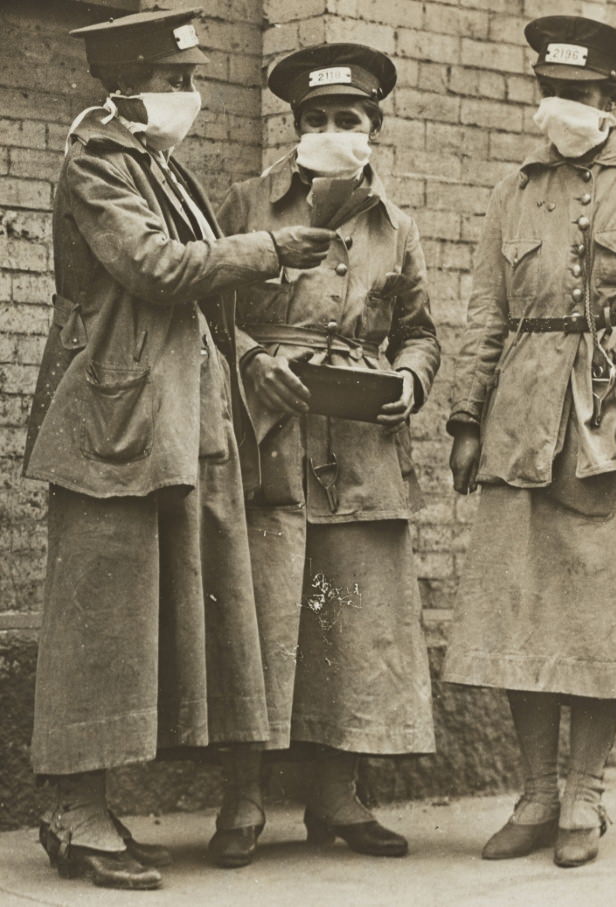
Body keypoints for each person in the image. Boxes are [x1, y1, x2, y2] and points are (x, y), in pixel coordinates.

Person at [23, 8, 335, 890]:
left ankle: (95, 807)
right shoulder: (97, 163)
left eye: (191, 81)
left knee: (139, 623)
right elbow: (157, 268)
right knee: (99, 620)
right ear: (125, 85)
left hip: (169, 424)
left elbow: (196, 306)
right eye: (175, 82)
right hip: (111, 427)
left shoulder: (157, 166)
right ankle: (73, 810)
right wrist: (266, 249)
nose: (189, 99)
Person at [443, 15, 616, 868]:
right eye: (550, 91)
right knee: (523, 606)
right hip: (521, 423)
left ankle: (586, 796)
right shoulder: (513, 192)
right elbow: (487, 312)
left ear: (613, 98)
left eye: (581, 94)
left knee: (602, 618)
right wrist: (465, 417)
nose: (562, 107)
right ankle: (536, 793)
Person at [214, 42, 440, 864]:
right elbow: (206, 308)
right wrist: (250, 360)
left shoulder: (397, 225)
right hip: (269, 434)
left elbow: (419, 331)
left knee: (352, 619)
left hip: (361, 443)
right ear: (295, 127)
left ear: (373, 129)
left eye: (348, 120)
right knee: (259, 612)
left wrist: (410, 380)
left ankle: (338, 796)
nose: (332, 131)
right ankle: (240, 798)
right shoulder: (248, 201)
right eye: (316, 120)